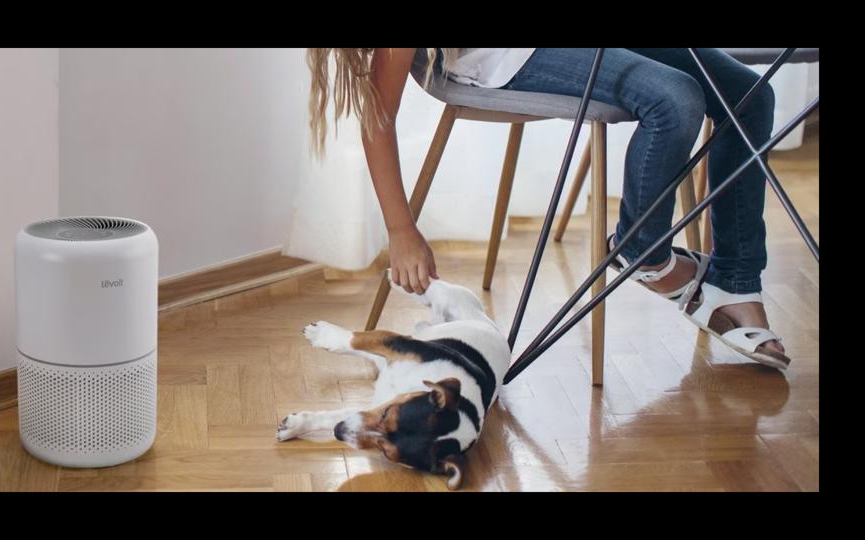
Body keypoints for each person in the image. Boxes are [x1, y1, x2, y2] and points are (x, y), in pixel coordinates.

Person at [306, 48, 790, 369]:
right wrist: (400, 228)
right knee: (676, 99)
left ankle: (735, 280)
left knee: (751, 94)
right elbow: (377, 113)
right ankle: (644, 252)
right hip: (511, 56)